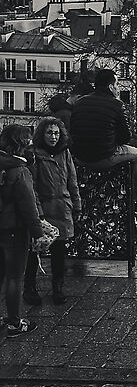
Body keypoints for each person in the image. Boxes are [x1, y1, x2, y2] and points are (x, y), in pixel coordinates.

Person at [67, 70, 137, 213]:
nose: (118, 88)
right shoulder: (117, 105)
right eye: (117, 85)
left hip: (80, 157)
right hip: (104, 156)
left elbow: (73, 131)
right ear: (110, 87)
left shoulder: (79, 103)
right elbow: (125, 137)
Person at [1, 124, 52, 333]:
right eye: (28, 140)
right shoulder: (20, 171)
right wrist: (38, 233)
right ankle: (14, 323)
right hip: (14, 229)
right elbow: (28, 206)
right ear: (21, 143)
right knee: (14, 277)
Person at [27, 115, 81, 306]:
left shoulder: (64, 152)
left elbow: (72, 181)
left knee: (59, 251)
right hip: (43, 208)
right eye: (49, 133)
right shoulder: (34, 154)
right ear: (42, 134)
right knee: (34, 251)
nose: (53, 137)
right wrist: (38, 210)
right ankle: (30, 288)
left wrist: (77, 205)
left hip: (62, 207)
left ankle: (58, 288)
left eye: (57, 133)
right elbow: (31, 185)